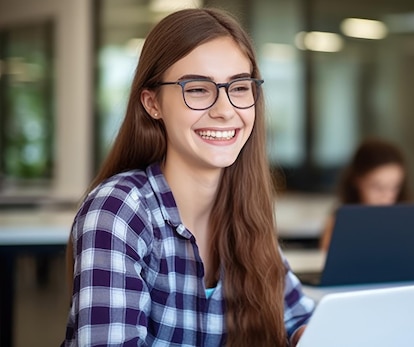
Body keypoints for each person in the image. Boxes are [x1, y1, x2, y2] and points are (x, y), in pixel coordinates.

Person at [62, 8, 313, 347]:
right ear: (153, 104)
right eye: (197, 89)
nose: (225, 110)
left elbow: (301, 320)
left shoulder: (245, 211)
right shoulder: (120, 210)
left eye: (239, 87)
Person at [319, 138, 411, 251]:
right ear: (357, 181)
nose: (386, 196)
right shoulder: (340, 221)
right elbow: (328, 256)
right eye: (377, 187)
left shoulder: (409, 223)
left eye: (394, 187)